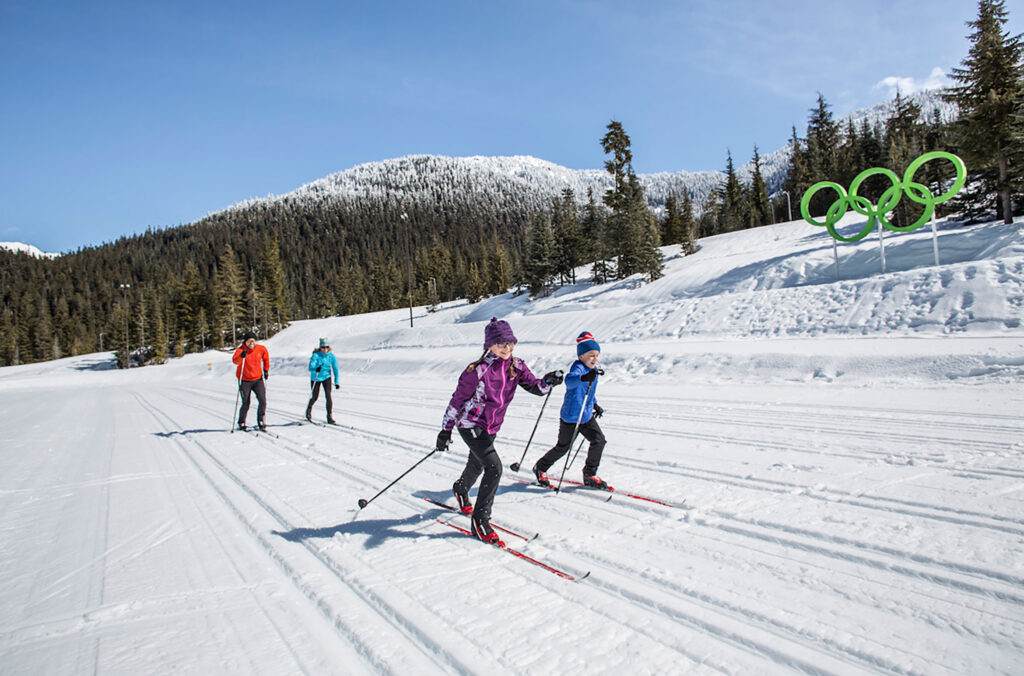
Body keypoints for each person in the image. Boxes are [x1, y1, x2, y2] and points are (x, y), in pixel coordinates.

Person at [434, 318, 563, 546]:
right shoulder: (478, 370)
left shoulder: (516, 366)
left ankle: (461, 488)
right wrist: (446, 431)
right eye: (501, 343)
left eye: (511, 343)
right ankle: (480, 520)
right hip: (470, 424)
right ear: (489, 345)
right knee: (494, 467)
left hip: (491, 426)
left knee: (477, 464)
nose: (507, 348)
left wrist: (549, 380)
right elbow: (457, 401)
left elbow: (537, 388)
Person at [532, 331, 611, 490]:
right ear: (581, 356)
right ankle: (541, 467)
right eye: (591, 355)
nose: (594, 359)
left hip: (586, 415)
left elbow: (589, 392)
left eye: (597, 355)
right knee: (563, 447)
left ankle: (589, 474)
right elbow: (570, 380)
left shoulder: (592, 371)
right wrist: (582, 378)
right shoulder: (578, 368)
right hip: (571, 417)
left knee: (599, 440)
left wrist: (595, 405)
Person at [232, 331, 270, 432]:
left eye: (253, 341)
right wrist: (241, 356)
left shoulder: (261, 349)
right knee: (246, 402)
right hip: (244, 380)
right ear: (245, 342)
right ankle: (241, 421)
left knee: (262, 400)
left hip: (258, 379)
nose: (251, 343)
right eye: (249, 341)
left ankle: (261, 420)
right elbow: (235, 361)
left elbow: (266, 358)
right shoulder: (241, 350)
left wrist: (266, 370)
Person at [306, 337, 340, 424]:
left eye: (326, 347)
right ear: (320, 347)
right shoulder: (316, 355)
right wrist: (316, 368)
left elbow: (336, 369)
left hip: (326, 377)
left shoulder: (331, 356)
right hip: (316, 378)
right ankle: (309, 410)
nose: (325, 349)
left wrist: (337, 382)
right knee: (315, 396)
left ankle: (329, 416)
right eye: (323, 347)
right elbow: (310, 367)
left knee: (328, 396)